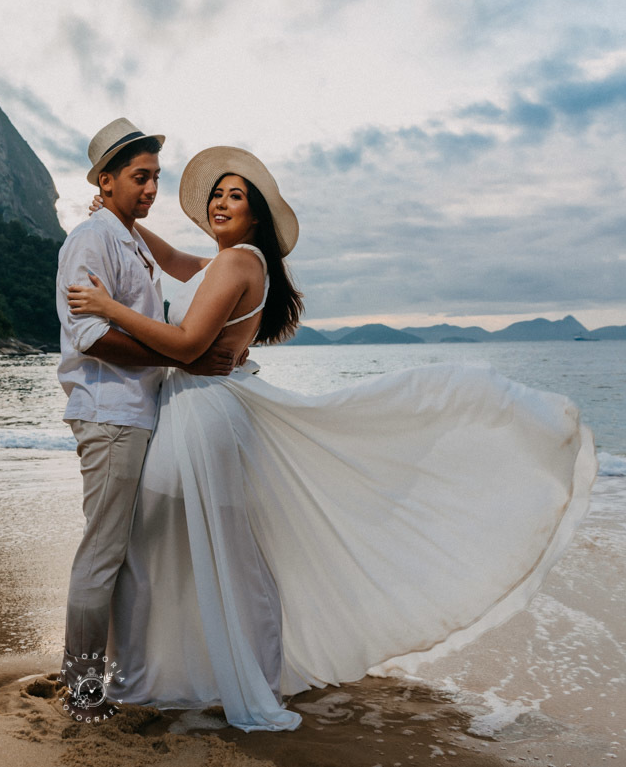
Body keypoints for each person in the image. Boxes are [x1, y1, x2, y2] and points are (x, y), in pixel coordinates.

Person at [68, 146, 597, 732]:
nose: (220, 202)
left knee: (208, 551)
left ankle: (148, 680)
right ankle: (174, 672)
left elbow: (190, 345)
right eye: (217, 193)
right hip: (190, 412)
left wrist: (108, 305)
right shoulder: (222, 264)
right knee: (193, 550)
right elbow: (167, 260)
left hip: (202, 416)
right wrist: (122, 215)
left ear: (257, 219)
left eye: (235, 196)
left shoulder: (239, 264)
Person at [54, 120, 237, 718]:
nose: (151, 188)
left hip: (138, 413)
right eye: (140, 177)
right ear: (105, 182)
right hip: (109, 415)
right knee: (103, 553)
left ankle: (120, 674)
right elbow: (93, 338)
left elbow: (185, 273)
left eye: (156, 177)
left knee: (129, 557)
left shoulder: (131, 242)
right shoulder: (90, 239)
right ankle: (81, 687)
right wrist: (180, 352)